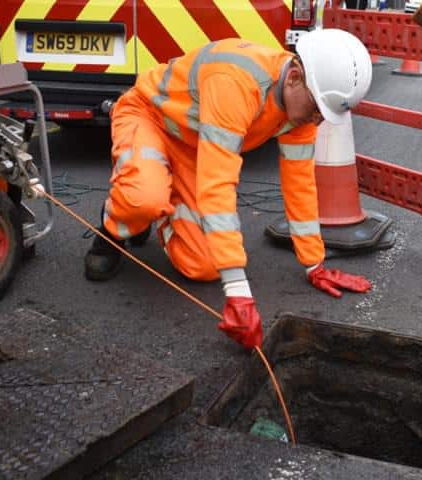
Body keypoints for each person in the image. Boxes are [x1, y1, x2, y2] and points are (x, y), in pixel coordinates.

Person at [84, 29, 375, 349]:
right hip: (151, 119)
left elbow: (300, 184)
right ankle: (113, 229)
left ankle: (148, 209)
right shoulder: (235, 83)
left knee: (204, 267)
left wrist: (314, 263)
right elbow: (217, 185)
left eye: (325, 114)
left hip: (195, 147)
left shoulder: (300, 113)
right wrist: (239, 293)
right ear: (293, 77)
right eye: (317, 108)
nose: (318, 120)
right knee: (143, 199)